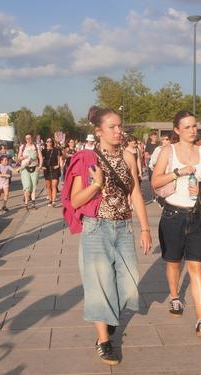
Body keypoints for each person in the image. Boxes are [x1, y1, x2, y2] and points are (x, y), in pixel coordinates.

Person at [66, 106, 152, 365]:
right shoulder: (86, 160)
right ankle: (104, 341)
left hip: (124, 226)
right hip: (96, 228)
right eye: (112, 127)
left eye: (119, 126)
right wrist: (96, 184)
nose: (118, 131)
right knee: (99, 285)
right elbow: (74, 200)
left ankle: (109, 315)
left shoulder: (128, 156)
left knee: (129, 284)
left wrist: (145, 228)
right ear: (98, 131)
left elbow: (135, 193)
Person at [151, 110, 201, 337]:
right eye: (187, 127)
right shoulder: (167, 151)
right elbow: (155, 181)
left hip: (198, 216)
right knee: (173, 262)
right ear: (177, 130)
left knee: (196, 267)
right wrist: (178, 172)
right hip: (172, 215)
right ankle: (175, 297)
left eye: (194, 126)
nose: (192, 130)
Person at [17, 133, 43, 210]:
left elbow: (40, 157)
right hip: (25, 168)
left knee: (33, 186)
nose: (28, 139)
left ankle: (33, 203)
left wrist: (40, 166)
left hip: (34, 168)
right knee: (27, 185)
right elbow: (18, 158)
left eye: (29, 138)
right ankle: (26, 203)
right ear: (25, 139)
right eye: (27, 138)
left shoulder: (36, 146)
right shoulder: (22, 147)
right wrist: (23, 157)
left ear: (32, 138)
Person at [42, 138, 62, 207]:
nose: (49, 143)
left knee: (54, 186)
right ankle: (50, 199)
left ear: (52, 142)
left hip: (54, 169)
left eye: (50, 141)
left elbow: (59, 158)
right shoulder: (43, 151)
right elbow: (41, 159)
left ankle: (53, 201)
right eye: (47, 141)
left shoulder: (56, 150)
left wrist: (58, 165)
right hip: (47, 169)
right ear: (46, 143)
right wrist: (42, 166)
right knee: (48, 186)